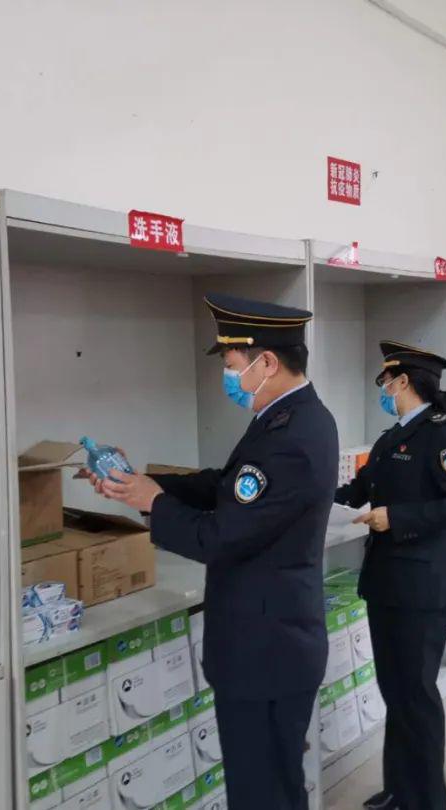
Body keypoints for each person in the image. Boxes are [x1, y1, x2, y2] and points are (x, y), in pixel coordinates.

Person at [88, 293, 338, 810]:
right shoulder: (288, 418)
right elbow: (226, 486)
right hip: (272, 641)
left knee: (261, 791)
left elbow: (219, 536)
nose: (228, 377)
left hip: (266, 652)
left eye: (231, 364)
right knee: (273, 784)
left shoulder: (291, 437)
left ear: (267, 363)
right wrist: (142, 484)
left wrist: (153, 502)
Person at [335, 340, 446, 810]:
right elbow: (357, 490)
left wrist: (395, 517)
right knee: (395, 693)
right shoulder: (390, 437)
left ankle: (429, 800)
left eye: (385, 380)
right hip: (386, 584)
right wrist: (314, 497)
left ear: (403, 382)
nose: (381, 388)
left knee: (416, 698)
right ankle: (400, 789)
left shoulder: (444, 435)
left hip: (421, 588)